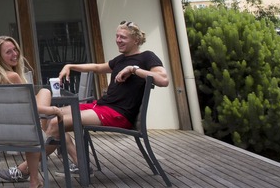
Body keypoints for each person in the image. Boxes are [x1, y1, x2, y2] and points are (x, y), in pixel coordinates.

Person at [14, 20, 170, 178]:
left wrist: (134, 70)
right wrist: (70, 66)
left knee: (55, 124)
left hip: (118, 114)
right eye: (116, 36)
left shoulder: (147, 57)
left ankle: (24, 170)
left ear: (136, 40)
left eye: (123, 37)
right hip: (101, 106)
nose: (118, 40)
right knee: (52, 116)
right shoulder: (120, 59)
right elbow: (96, 67)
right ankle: (79, 164)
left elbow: (163, 80)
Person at [0, 35, 59, 188]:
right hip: (21, 133)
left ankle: (33, 179)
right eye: (8, 52)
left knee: (43, 95)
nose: (14, 54)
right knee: (50, 132)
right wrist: (54, 110)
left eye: (15, 49)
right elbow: (31, 108)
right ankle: (33, 179)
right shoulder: (13, 77)